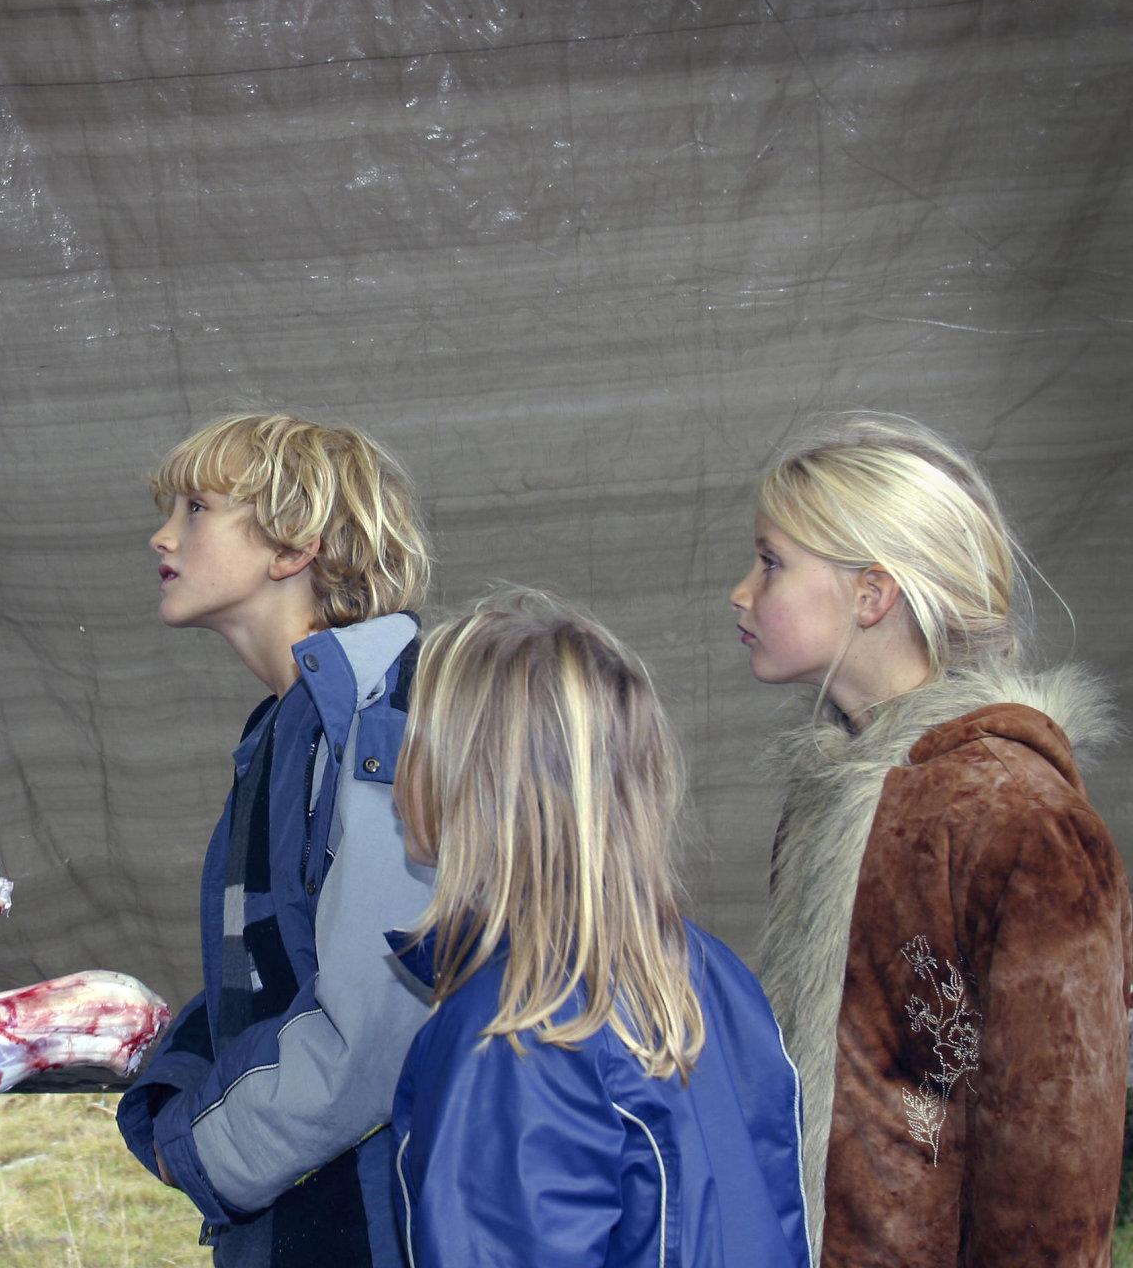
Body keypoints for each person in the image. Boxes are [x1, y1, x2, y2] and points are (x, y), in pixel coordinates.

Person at [732, 413, 1132, 1266]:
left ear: (871, 595)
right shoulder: (829, 797)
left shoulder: (1022, 819)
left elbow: (1057, 1172)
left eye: (770, 563)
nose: (741, 591)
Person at [389, 588, 812, 1268]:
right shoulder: (714, 976)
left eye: (410, 742)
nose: (393, 778)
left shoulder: (511, 1032)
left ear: (473, 780)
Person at [116, 411, 435, 1267]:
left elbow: (381, 1014)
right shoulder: (285, 729)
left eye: (194, 508)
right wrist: (172, 1078)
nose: (162, 533)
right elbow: (276, 969)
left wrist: (195, 1148)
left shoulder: (385, 716)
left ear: (291, 545)